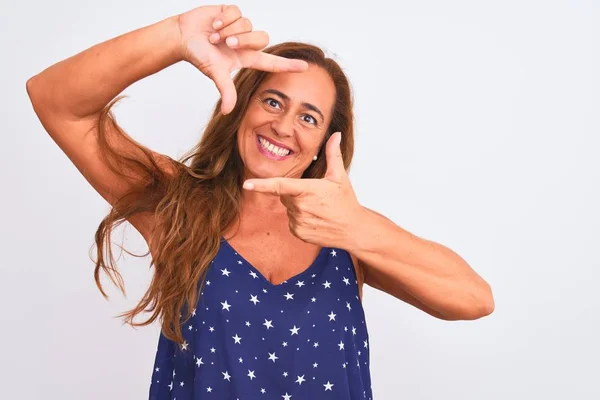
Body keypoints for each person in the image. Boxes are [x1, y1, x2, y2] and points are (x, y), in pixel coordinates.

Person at [26, 4, 495, 399]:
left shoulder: (346, 230)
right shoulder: (175, 203)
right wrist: (175, 36)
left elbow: (474, 299)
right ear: (243, 105)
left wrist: (356, 228)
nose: (284, 126)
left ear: (324, 142)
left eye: (308, 117)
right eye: (273, 102)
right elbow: (55, 101)